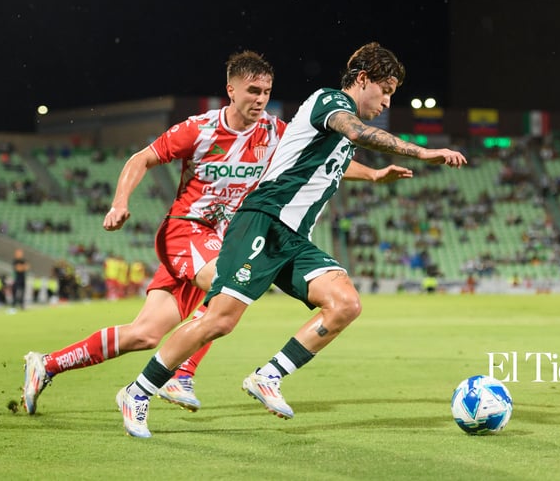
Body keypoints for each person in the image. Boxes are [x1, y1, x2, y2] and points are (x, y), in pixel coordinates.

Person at [21, 50, 411, 416]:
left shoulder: (275, 133)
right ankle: (181, 375)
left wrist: (373, 173)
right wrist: (120, 202)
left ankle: (47, 364)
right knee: (228, 294)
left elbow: (322, 162)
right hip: (187, 230)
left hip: (219, 241)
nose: (260, 100)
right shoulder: (200, 129)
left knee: (144, 334)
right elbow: (143, 158)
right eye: (253, 91)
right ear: (231, 90)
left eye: (267, 92)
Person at [116, 42, 467, 438]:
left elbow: (341, 153)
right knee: (220, 320)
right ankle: (137, 392)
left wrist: (372, 175)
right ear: (363, 79)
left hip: (294, 238)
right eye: (385, 90)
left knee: (345, 304)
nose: (387, 101)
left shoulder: (341, 126)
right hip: (262, 221)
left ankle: (268, 376)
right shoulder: (329, 102)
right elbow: (356, 131)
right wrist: (423, 152)